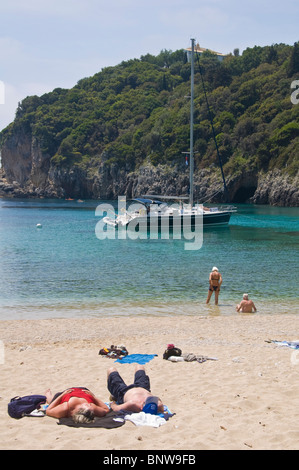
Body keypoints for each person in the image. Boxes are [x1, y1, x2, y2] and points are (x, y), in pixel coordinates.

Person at [45, 387, 109, 423]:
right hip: (84, 389)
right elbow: (106, 409)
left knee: (52, 402)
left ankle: (48, 397)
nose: (88, 405)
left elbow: (48, 410)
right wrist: (93, 396)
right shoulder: (91, 407)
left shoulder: (65, 408)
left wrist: (62, 395)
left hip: (65, 394)